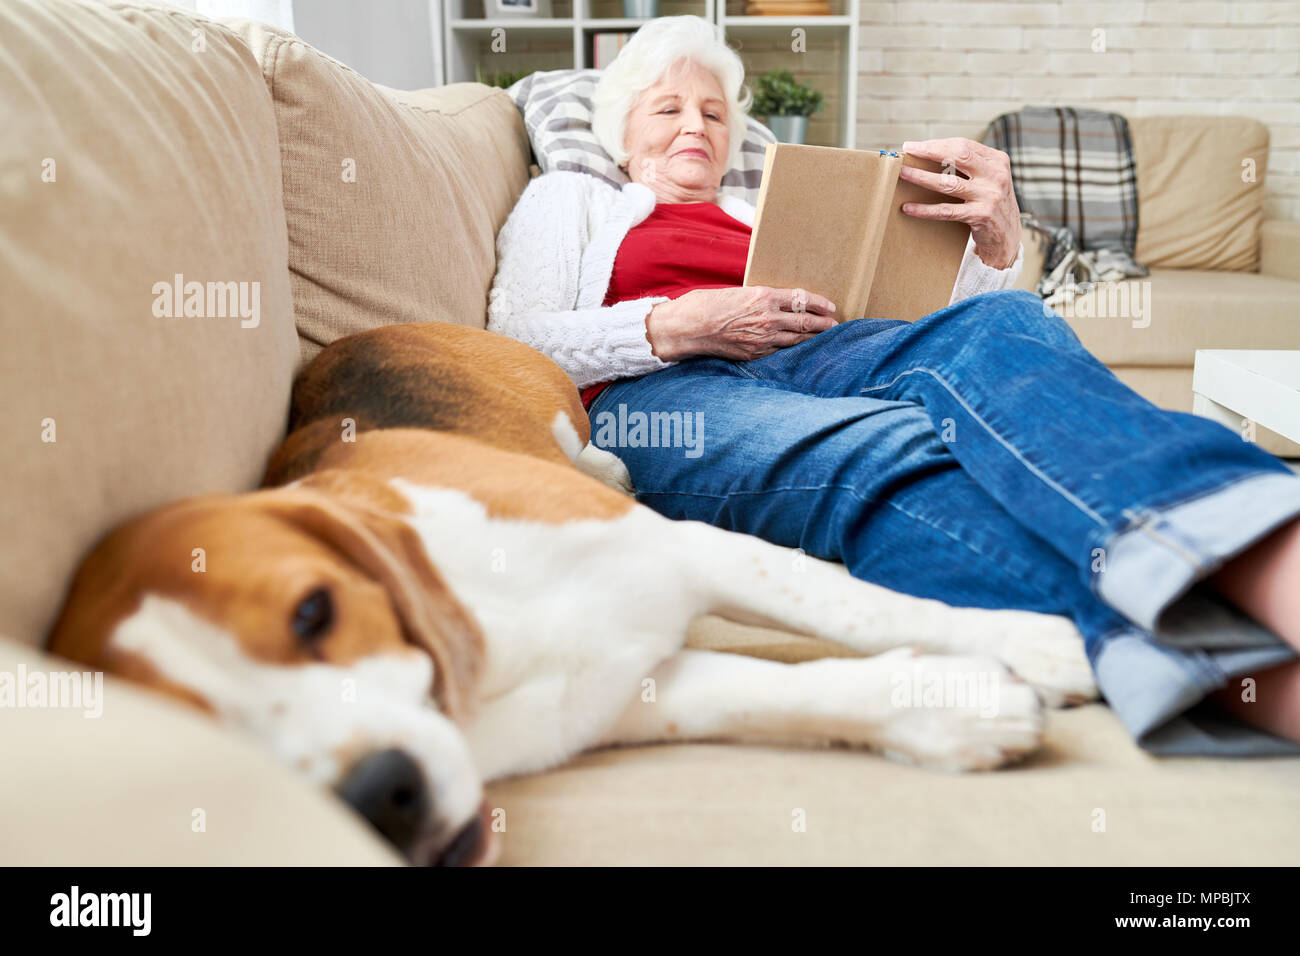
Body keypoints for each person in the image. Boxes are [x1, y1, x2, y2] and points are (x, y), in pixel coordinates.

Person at [488, 15, 1300, 755]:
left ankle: (1262, 552)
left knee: (1004, 326)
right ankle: (1216, 655)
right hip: (657, 397)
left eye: (712, 111)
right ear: (620, 128)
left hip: (818, 355)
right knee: (890, 449)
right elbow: (509, 339)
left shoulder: (760, 210)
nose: (695, 124)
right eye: (668, 108)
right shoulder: (574, 198)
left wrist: (995, 246)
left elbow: (918, 332)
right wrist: (673, 326)